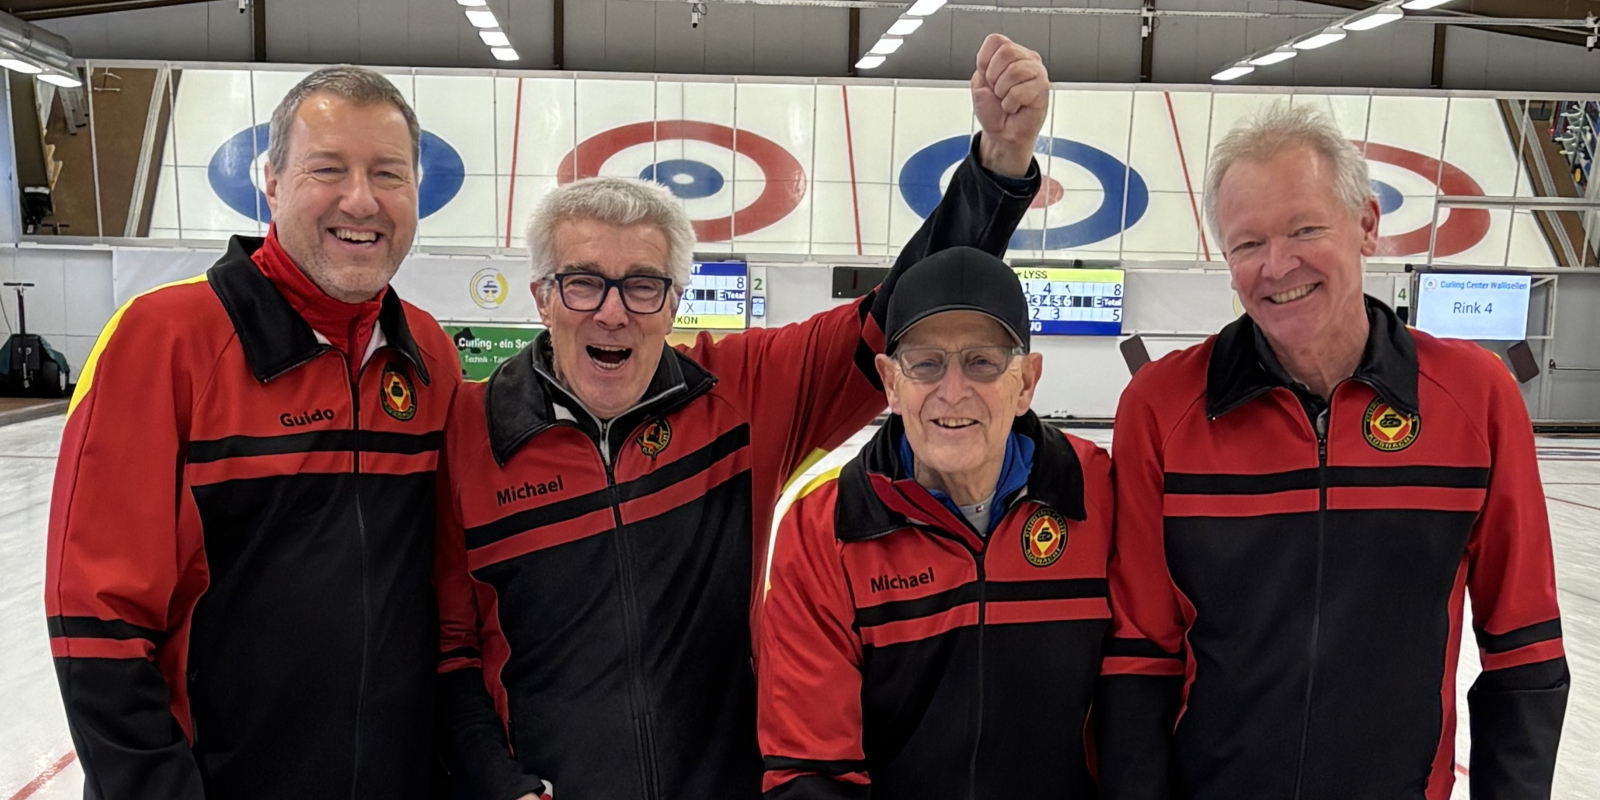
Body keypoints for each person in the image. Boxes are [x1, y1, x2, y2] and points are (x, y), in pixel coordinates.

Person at [433, 33, 1050, 800]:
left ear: (676, 302)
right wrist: (497, 783)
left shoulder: (739, 395)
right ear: (541, 298)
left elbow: (892, 316)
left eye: (644, 286)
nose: (614, 313)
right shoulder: (468, 430)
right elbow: (450, 652)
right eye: (584, 283)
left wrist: (995, 168)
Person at [1097, 103, 1568, 800]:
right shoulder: (1162, 409)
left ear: (1368, 225)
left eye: (1305, 229)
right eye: (1247, 243)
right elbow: (1140, 653)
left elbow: (1524, 645)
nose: (1277, 265)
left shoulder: (1476, 397)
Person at [45, 66, 461, 799]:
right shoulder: (164, 341)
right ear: (270, 182)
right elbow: (97, 623)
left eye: (388, 174)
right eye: (327, 170)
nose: (361, 199)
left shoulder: (429, 356)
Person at [755, 247, 1113, 799]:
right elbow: (809, 769)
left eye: (982, 362)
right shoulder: (825, 528)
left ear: (1026, 382)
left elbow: (1147, 688)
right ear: (890, 383)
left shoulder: (1101, 495)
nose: (952, 391)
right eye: (925, 363)